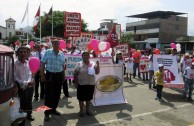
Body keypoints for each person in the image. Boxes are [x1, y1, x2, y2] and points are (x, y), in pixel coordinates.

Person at [41, 39, 65, 121]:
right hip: (49, 75)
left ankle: (53, 109)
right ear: (52, 44)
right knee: (48, 95)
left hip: (58, 76)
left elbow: (62, 66)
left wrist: (63, 76)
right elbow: (43, 64)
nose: (56, 45)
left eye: (57, 43)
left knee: (57, 94)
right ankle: (47, 113)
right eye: (54, 43)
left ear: (59, 44)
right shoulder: (47, 52)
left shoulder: (62, 54)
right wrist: (42, 75)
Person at [74, 51, 100, 117]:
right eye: (84, 55)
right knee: (81, 98)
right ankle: (81, 110)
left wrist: (98, 65)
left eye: (87, 55)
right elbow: (75, 74)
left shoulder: (93, 63)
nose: (85, 56)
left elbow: (97, 72)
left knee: (88, 98)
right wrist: (76, 83)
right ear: (82, 56)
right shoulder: (79, 64)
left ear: (89, 56)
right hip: (81, 84)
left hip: (90, 83)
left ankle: (88, 110)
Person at [14, 47, 35, 123]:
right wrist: (25, 83)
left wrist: (29, 82)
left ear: (27, 53)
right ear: (17, 53)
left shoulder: (28, 62)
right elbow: (14, 77)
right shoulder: (14, 63)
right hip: (19, 87)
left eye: (24, 52)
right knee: (20, 103)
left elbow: (30, 73)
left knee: (29, 101)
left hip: (29, 86)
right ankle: (20, 118)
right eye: (21, 52)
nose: (23, 54)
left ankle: (29, 115)